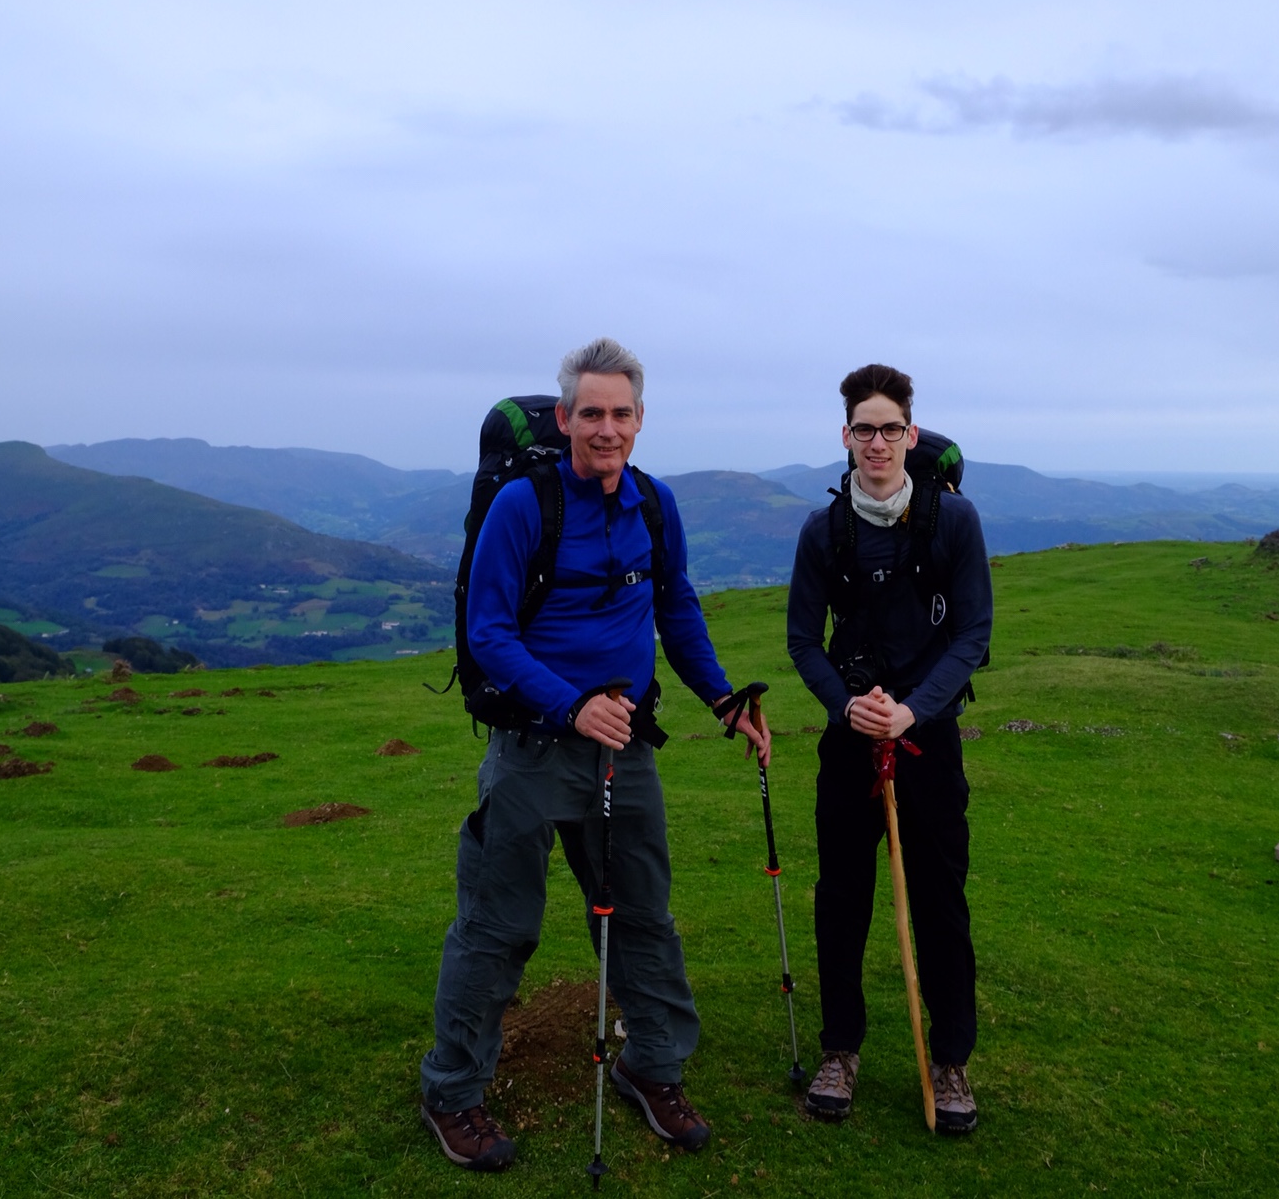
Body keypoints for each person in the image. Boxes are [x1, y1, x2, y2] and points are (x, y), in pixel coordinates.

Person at [418, 336, 773, 1172]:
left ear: (640, 419)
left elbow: (675, 607)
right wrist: (571, 706)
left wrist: (721, 698)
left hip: (627, 748)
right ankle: (453, 1092)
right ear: (566, 418)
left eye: (620, 413)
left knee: (644, 916)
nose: (606, 428)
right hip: (535, 746)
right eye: (590, 413)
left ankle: (653, 1068)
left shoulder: (653, 504)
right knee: (498, 925)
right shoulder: (522, 507)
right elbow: (488, 633)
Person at [785, 363, 992, 1135]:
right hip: (851, 741)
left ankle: (951, 1061)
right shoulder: (824, 531)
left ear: (911, 433)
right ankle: (840, 1051)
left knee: (940, 901)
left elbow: (972, 633)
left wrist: (912, 711)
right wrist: (848, 707)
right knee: (841, 898)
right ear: (846, 436)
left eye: (891, 429)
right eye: (865, 429)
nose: (878, 442)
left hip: (928, 741)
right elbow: (803, 640)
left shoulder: (953, 521)